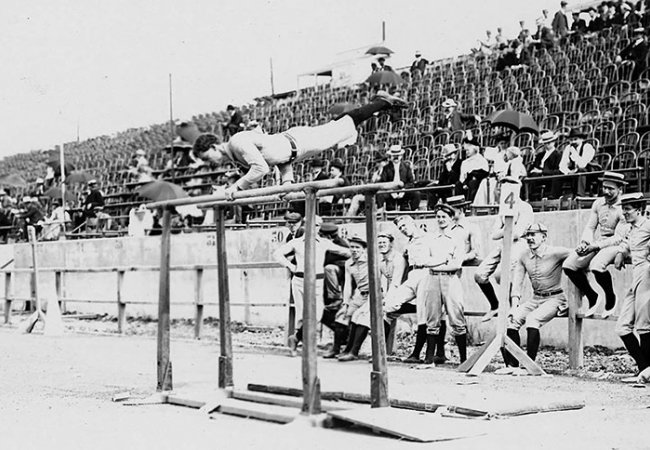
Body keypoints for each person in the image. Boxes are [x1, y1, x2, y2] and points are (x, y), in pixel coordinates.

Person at [192, 91, 407, 198]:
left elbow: (261, 168)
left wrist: (235, 188)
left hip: (300, 142)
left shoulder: (237, 142)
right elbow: (278, 158)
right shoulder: (237, 152)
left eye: (206, 158)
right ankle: (382, 105)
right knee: (337, 126)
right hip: (294, 147)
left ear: (212, 147)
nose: (209, 164)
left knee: (342, 126)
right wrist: (288, 182)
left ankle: (383, 102)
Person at [383, 214, 463, 365]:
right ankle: (382, 350)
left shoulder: (429, 237)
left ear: (413, 223)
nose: (403, 230)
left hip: (426, 273)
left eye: (404, 226)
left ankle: (417, 353)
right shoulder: (409, 242)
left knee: (423, 315)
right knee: (390, 304)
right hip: (413, 275)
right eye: (400, 228)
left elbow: (442, 254)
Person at [498, 223, 572, 375]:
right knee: (512, 320)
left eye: (534, 234)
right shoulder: (524, 255)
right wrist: (514, 306)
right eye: (528, 235)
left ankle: (529, 367)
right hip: (535, 298)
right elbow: (517, 282)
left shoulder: (556, 252)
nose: (530, 238)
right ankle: (512, 366)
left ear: (544, 237)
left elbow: (577, 255)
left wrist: (573, 300)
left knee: (532, 319)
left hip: (555, 298)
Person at [274, 216, 351, 356]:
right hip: (300, 280)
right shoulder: (296, 242)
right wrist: (291, 266)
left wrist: (361, 254)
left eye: (317, 225)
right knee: (301, 314)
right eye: (312, 224)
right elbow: (277, 254)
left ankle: (296, 338)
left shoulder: (323, 242)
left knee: (318, 314)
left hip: (317, 281)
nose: (314, 228)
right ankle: (300, 346)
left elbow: (344, 251)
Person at [563, 172, 627, 318]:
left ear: (620, 190)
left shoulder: (623, 207)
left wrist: (595, 246)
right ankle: (592, 296)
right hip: (599, 242)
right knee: (569, 265)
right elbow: (590, 227)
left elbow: (618, 237)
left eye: (611, 189)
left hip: (618, 244)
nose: (606, 191)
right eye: (604, 187)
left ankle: (610, 297)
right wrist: (585, 242)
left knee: (596, 266)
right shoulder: (599, 203)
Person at [474, 179, 534, 321]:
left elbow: (517, 234)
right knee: (479, 274)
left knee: (502, 276)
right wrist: (507, 228)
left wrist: (506, 229)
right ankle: (495, 305)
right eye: (502, 187)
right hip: (503, 244)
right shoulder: (504, 208)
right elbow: (494, 234)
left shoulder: (525, 207)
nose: (502, 190)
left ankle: (514, 309)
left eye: (508, 187)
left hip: (519, 244)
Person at [613, 192, 650, 382]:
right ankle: (645, 369)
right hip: (636, 275)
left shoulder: (648, 224)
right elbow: (626, 242)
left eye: (627, 209)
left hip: (647, 274)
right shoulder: (632, 228)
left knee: (644, 326)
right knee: (622, 327)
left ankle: (646, 372)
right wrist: (621, 251)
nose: (624, 213)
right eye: (623, 209)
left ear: (639, 209)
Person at [337, 236, 372, 361]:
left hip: (373, 295)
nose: (354, 250)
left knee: (359, 316)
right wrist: (346, 302)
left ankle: (354, 351)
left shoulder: (370, 260)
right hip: (360, 294)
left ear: (363, 249)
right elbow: (347, 284)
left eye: (357, 247)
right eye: (352, 247)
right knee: (344, 316)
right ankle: (346, 349)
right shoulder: (349, 263)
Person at [376, 145, 420, 212]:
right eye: (394, 156)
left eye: (398, 155)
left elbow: (411, 183)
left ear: (401, 156)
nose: (396, 157)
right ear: (391, 156)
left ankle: (414, 212)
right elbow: (383, 182)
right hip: (390, 192)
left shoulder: (406, 167)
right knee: (379, 194)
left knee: (417, 193)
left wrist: (404, 190)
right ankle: (382, 214)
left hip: (404, 191)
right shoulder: (386, 168)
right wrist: (390, 190)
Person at [559, 128, 598, 196]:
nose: (573, 142)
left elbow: (582, 165)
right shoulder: (568, 148)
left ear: (581, 139)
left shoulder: (587, 147)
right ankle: (556, 196)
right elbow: (562, 165)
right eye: (571, 140)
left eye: (575, 139)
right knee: (558, 172)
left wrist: (574, 153)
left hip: (590, 172)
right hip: (574, 172)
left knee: (581, 170)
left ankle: (580, 195)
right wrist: (568, 172)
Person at [528, 131, 563, 199]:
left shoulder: (558, 155)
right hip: (537, 176)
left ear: (553, 142)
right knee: (531, 175)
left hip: (549, 177)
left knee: (556, 177)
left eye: (549, 143)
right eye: (545, 143)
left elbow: (558, 171)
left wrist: (542, 172)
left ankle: (551, 197)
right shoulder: (540, 155)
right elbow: (533, 167)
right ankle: (527, 196)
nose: (547, 145)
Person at [428, 143, 462, 208]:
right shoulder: (446, 163)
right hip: (444, 185)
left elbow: (457, 179)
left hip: (453, 185)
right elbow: (442, 177)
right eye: (446, 156)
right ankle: (431, 208)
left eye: (449, 155)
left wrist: (450, 170)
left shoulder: (460, 163)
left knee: (446, 190)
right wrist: (438, 181)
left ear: (454, 155)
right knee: (431, 187)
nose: (447, 158)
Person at [459, 138, 489, 202]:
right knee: (458, 184)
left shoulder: (482, 160)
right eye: (466, 150)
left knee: (473, 183)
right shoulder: (465, 162)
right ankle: (458, 205)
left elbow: (484, 173)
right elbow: (462, 177)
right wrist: (464, 183)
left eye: (468, 150)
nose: (467, 152)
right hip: (466, 182)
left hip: (477, 182)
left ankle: (470, 204)